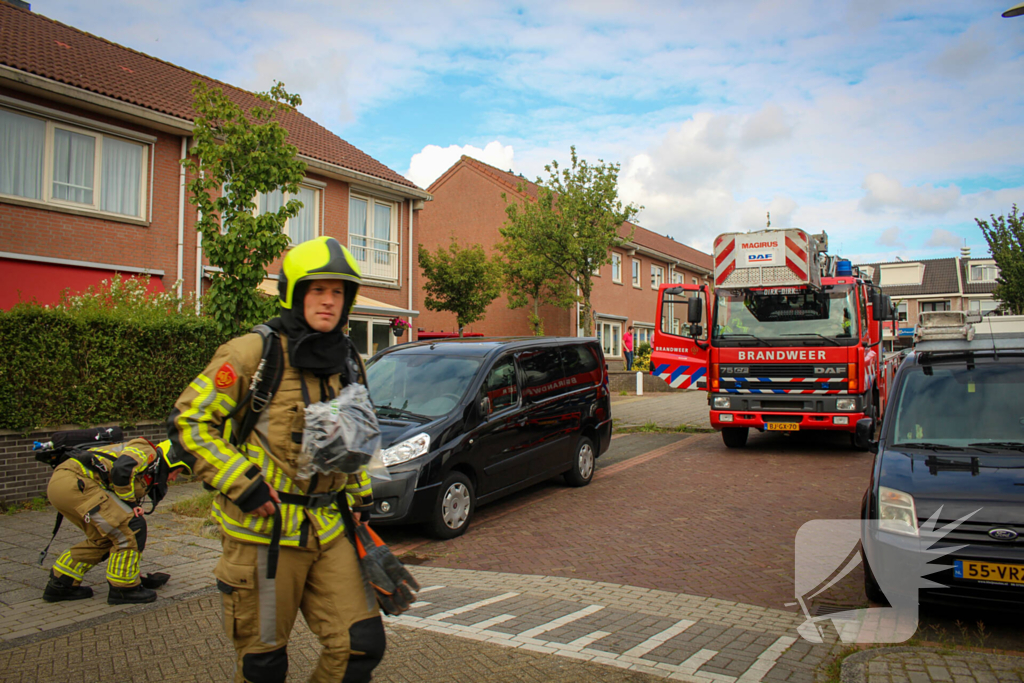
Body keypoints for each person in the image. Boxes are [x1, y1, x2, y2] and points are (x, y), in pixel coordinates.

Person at [168, 236, 383, 683]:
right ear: (293, 291)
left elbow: (352, 438)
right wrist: (241, 483)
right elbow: (189, 422)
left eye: (338, 292)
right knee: (264, 666)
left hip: (331, 529)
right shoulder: (250, 353)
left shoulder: (349, 360)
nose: (328, 301)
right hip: (264, 535)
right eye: (317, 289)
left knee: (360, 645)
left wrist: (361, 498)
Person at [42, 439, 185, 604]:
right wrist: (130, 503)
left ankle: (61, 583)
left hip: (65, 486)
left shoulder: (149, 467)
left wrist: (132, 567)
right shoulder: (147, 451)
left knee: (106, 538)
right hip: (76, 482)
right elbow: (122, 470)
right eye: (177, 472)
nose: (174, 478)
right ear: (172, 460)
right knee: (132, 527)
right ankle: (124, 588)